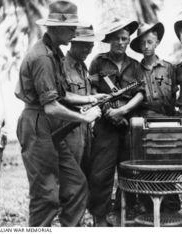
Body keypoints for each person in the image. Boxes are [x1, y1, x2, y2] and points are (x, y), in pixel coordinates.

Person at [14, 1, 104, 227]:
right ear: (55, 28)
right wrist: (85, 117)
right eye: (71, 27)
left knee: (76, 187)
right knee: (46, 197)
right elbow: (51, 106)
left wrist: (91, 98)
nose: (75, 32)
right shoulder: (42, 57)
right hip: (37, 125)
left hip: (51, 126)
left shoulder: (55, 54)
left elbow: (61, 95)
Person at [87, 18, 144, 226]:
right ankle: (99, 218)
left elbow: (140, 94)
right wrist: (108, 111)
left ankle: (124, 215)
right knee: (101, 173)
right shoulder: (98, 62)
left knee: (128, 172)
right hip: (105, 126)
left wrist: (123, 111)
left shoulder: (135, 65)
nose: (121, 42)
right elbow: (92, 90)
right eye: (117, 39)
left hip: (129, 126)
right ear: (110, 40)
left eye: (125, 39)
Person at [130, 22, 180, 213]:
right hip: (143, 124)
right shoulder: (134, 69)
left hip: (166, 123)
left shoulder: (168, 68)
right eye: (142, 43)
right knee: (146, 166)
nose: (146, 46)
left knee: (166, 163)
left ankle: (170, 206)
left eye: (150, 41)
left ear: (157, 42)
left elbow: (173, 95)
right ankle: (147, 205)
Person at [62, 26, 106, 165]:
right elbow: (60, 96)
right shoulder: (62, 66)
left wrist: (96, 98)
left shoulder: (83, 66)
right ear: (73, 43)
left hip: (86, 128)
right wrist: (90, 99)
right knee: (71, 174)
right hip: (69, 129)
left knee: (85, 174)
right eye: (85, 46)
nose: (89, 50)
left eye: (91, 46)